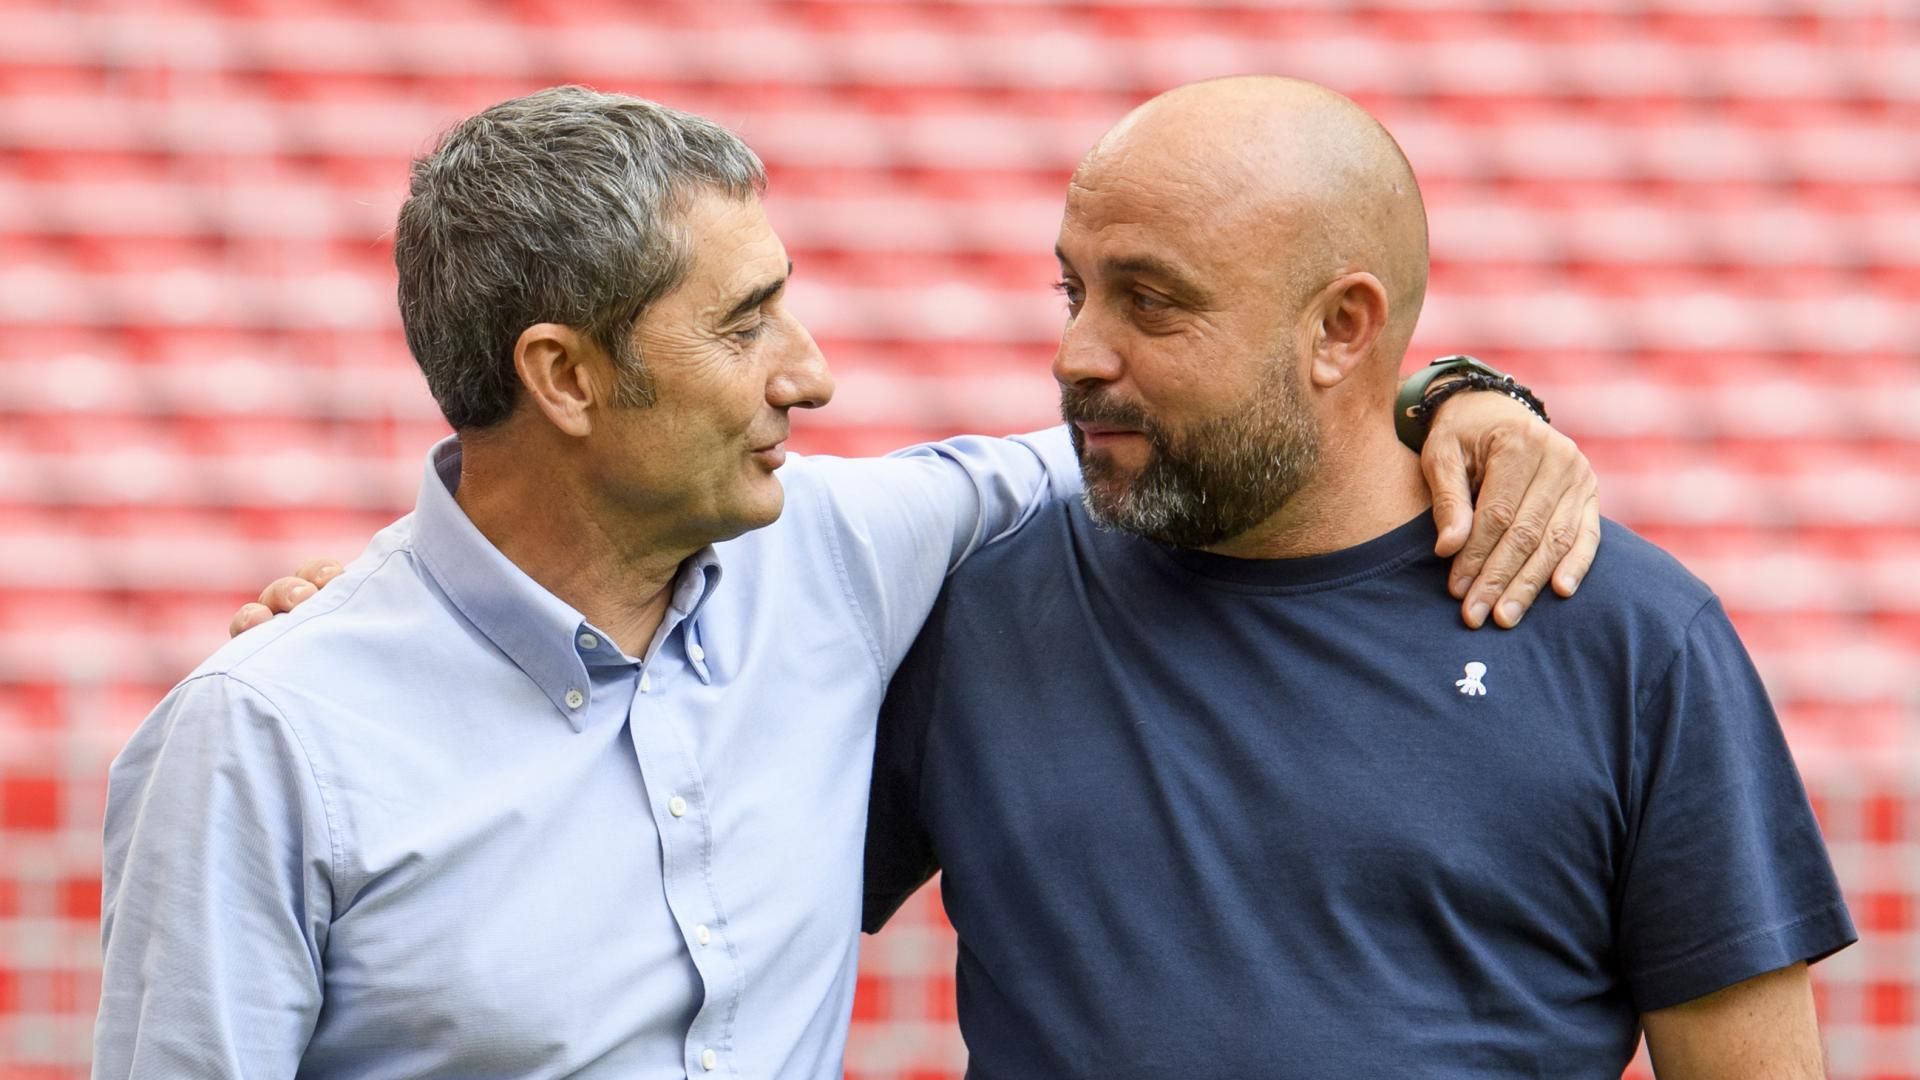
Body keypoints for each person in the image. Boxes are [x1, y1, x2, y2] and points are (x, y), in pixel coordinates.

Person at [103, 88, 1589, 1078]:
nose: (810, 377)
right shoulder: (267, 740)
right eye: (747, 326)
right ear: (562, 377)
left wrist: (1451, 398)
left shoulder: (840, 551)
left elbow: (1193, 436)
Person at [862, 76, 1855, 1079]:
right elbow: (725, 919)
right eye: (1074, 291)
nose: (1076, 353)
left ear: (1342, 328)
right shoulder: (974, 606)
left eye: (1150, 302)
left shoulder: (1625, 635)